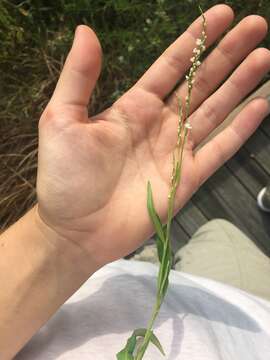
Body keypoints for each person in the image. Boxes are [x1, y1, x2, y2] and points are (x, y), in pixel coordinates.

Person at [1, 4, 270, 359]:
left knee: (218, 233)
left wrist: (60, 239)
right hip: (247, 315)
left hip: (195, 297)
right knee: (222, 238)